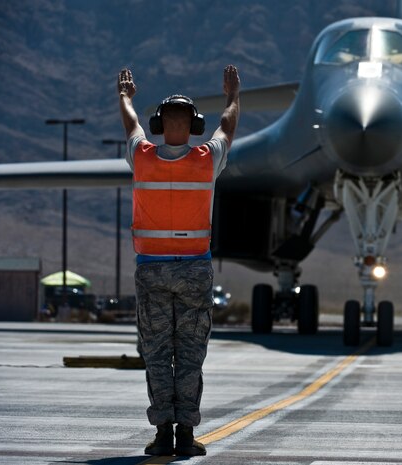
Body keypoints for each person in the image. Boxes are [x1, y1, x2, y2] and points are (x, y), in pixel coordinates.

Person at [117, 65, 240, 456]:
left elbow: (130, 125)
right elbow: (228, 127)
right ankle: (186, 435)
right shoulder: (207, 160)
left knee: (156, 355)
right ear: (194, 126)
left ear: (159, 124)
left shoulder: (143, 157)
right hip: (194, 270)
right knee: (189, 356)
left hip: (151, 270)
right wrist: (233, 95)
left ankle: (163, 435)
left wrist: (125, 97)